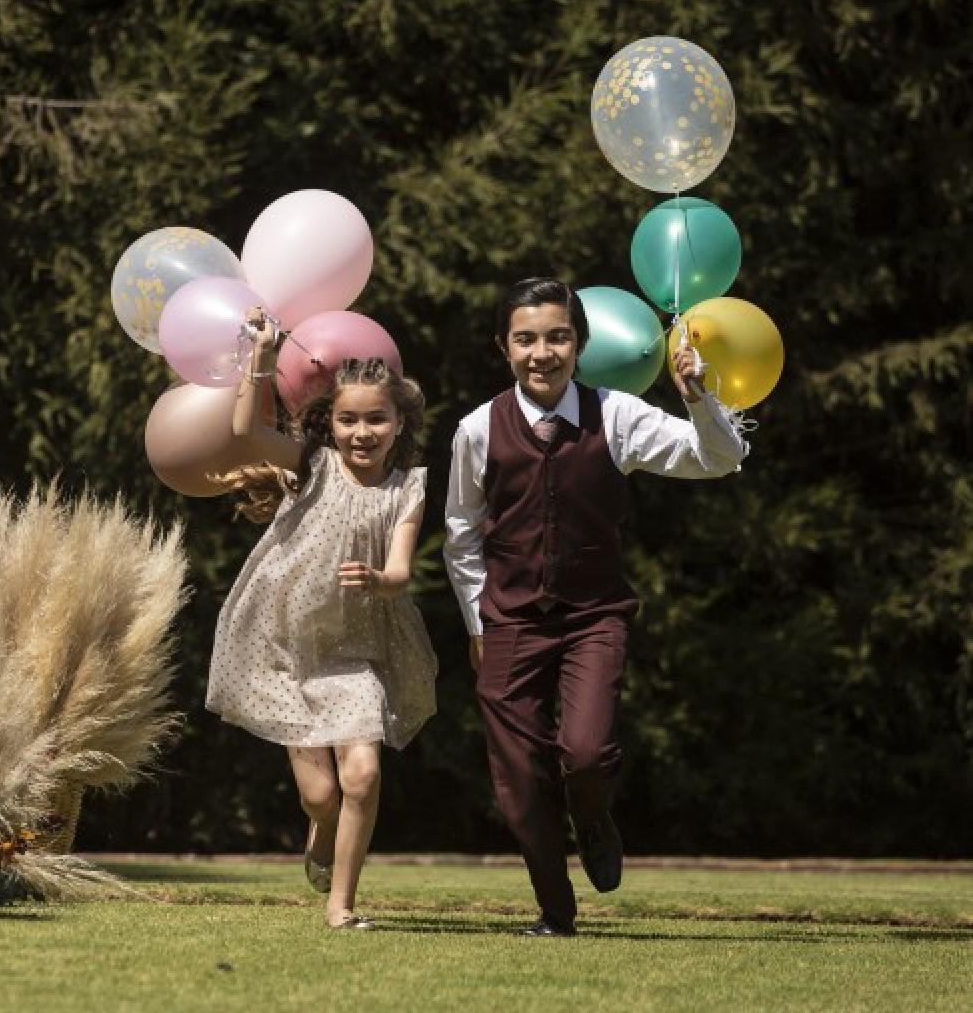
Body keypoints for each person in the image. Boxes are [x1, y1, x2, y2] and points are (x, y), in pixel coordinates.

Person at [444, 276, 748, 937]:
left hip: (594, 618)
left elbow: (719, 459)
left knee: (586, 753)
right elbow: (462, 535)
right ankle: (556, 913)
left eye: (557, 336)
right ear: (504, 347)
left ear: (579, 344)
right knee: (518, 779)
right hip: (510, 623)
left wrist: (697, 396)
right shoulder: (475, 430)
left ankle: (594, 815)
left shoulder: (619, 415)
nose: (542, 352)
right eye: (526, 339)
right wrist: (477, 623)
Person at [207, 310, 438, 930]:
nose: (362, 432)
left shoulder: (406, 488)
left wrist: (379, 581)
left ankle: (342, 905)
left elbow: (400, 571)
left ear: (399, 423)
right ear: (329, 423)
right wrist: (261, 356)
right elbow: (242, 430)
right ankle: (323, 824)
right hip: (283, 645)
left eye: (376, 418)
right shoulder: (312, 465)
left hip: (355, 649)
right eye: (348, 419)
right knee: (322, 795)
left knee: (362, 774)